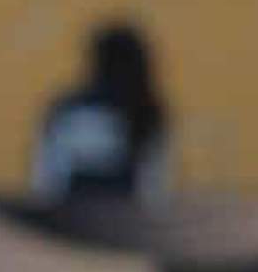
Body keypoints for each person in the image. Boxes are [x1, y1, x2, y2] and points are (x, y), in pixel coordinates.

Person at [32, 16, 171, 204]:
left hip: (73, 219)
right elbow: (153, 188)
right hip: (124, 222)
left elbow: (47, 179)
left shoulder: (68, 111)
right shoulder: (149, 112)